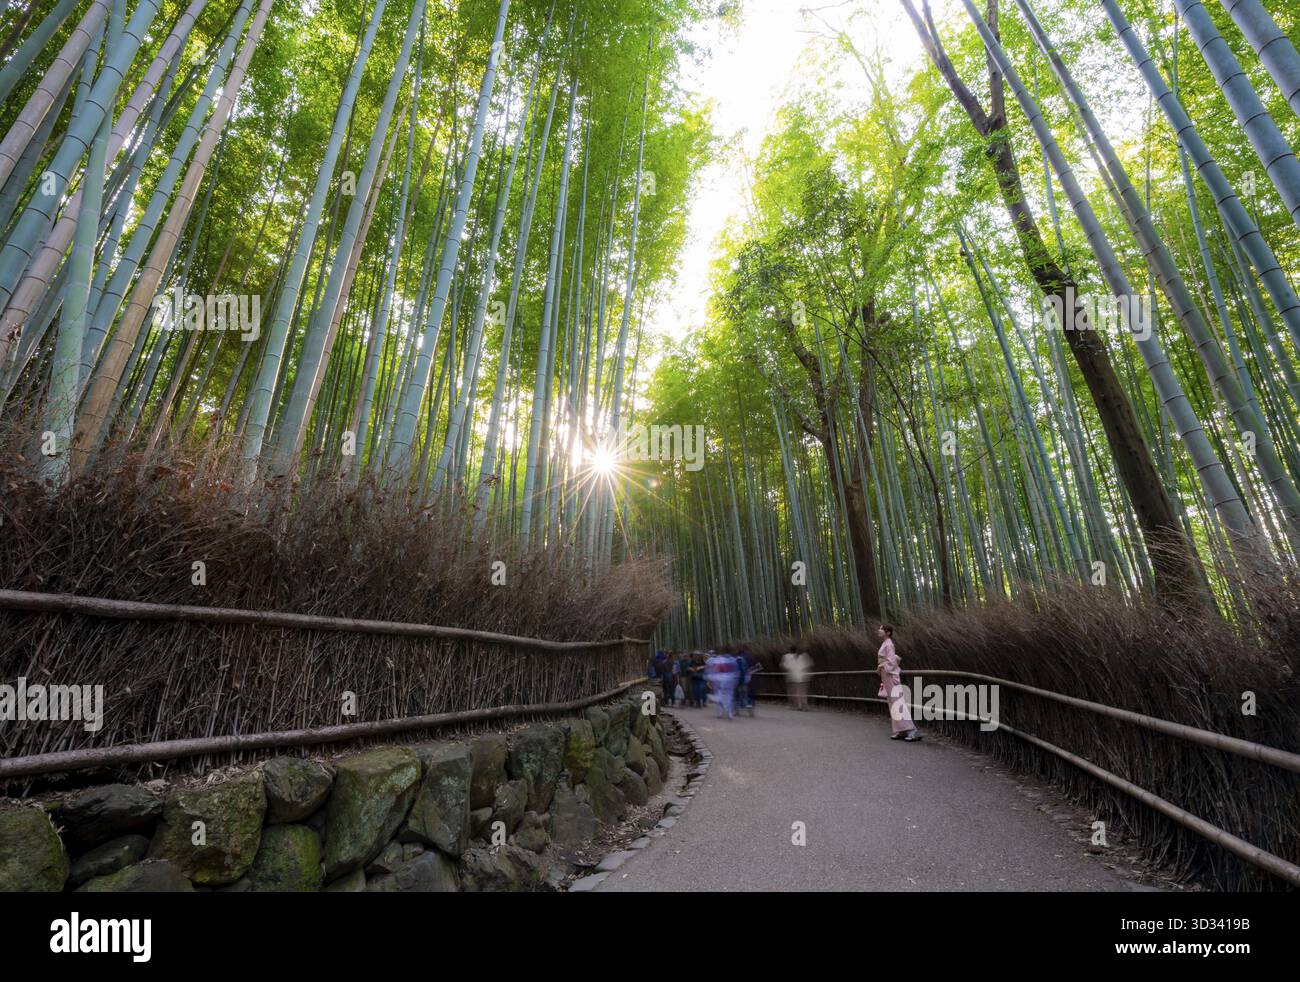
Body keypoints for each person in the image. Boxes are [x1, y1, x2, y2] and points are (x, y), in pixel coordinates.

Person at [877, 624, 920, 741]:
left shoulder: (889, 644)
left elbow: (891, 662)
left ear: (888, 632)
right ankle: (900, 730)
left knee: (897, 702)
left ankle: (912, 730)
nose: (879, 630)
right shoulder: (885, 644)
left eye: (881, 629)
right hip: (886, 675)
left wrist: (882, 665)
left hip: (890, 675)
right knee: (892, 703)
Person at [705, 649, 738, 719]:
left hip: (719, 681)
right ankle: (728, 713)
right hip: (727, 681)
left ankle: (722, 712)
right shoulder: (732, 660)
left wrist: (709, 679)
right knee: (729, 697)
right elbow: (736, 672)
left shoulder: (715, 660)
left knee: (720, 695)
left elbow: (710, 671)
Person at [781, 646, 812, 710]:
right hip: (802, 677)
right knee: (802, 692)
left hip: (796, 677)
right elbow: (808, 665)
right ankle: (802, 705)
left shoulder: (791, 657)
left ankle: (799, 705)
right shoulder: (803, 656)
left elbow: (786, 666)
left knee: (797, 692)